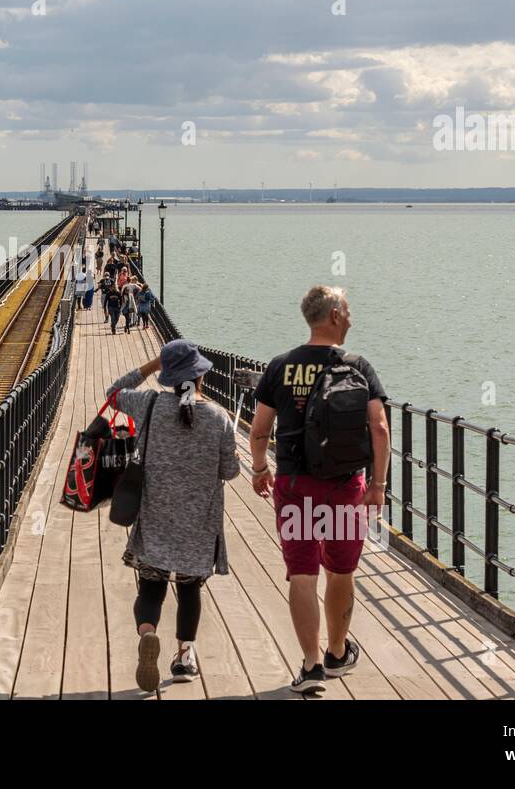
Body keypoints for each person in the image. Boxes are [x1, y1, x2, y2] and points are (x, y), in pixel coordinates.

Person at [248, 285, 390, 694]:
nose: (351, 318)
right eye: (347, 311)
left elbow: (259, 432)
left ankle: (310, 666)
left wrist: (260, 470)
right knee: (341, 571)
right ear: (332, 315)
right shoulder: (358, 366)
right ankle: (337, 651)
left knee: (303, 574)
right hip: (346, 487)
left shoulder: (280, 366)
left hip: (295, 486)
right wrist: (377, 485)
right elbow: (379, 428)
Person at [106, 341, 241, 692]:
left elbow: (113, 392)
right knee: (189, 588)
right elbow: (229, 472)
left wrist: (151, 366)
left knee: (151, 586)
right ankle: (184, 656)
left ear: (168, 376)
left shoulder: (148, 404)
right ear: (199, 375)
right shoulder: (217, 417)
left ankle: (147, 633)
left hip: (155, 517)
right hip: (199, 523)